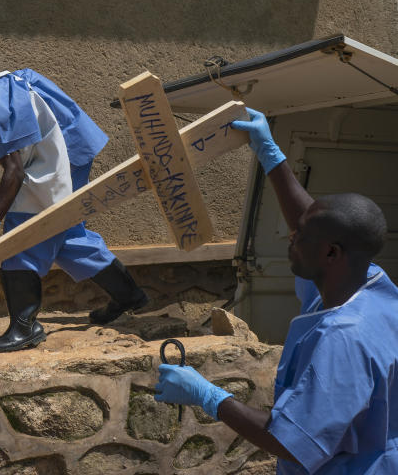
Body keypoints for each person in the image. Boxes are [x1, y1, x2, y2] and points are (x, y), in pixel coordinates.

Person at [154, 108, 397, 474]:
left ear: (331, 253)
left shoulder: (343, 341)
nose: (290, 239)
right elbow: (312, 221)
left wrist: (208, 396)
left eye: (300, 238)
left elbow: (291, 443)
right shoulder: (369, 285)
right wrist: (271, 155)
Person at [0, 59, 149, 352]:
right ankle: (129, 296)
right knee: (67, 235)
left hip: (63, 150)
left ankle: (25, 327)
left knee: (23, 232)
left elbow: (15, 171)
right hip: (38, 157)